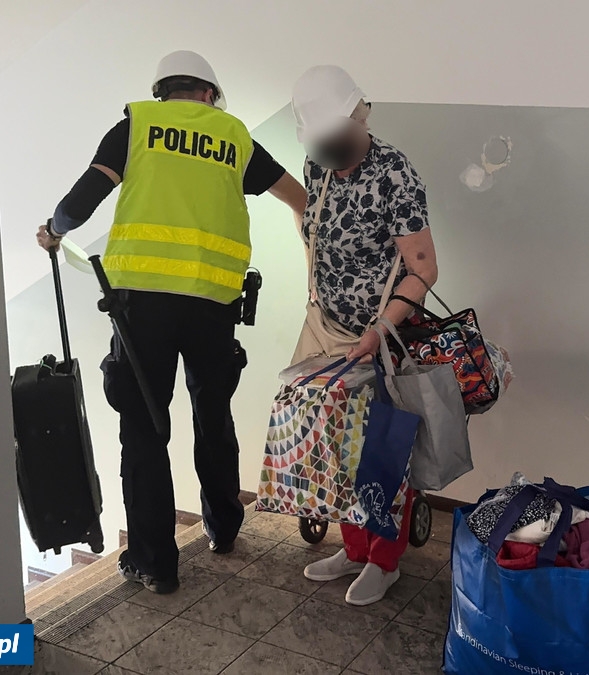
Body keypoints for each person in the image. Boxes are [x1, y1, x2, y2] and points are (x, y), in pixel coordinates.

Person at [36, 50, 308, 594]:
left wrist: (53, 232)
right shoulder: (233, 137)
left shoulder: (137, 125)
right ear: (210, 94)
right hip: (214, 304)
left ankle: (155, 563)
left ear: (162, 91)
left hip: (143, 308)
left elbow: (81, 201)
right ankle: (223, 528)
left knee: (143, 428)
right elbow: (299, 198)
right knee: (213, 413)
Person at [289, 65, 440, 606]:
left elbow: (423, 268)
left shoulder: (394, 172)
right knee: (336, 447)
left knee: (383, 452)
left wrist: (380, 329)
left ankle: (384, 560)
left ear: (361, 115)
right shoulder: (317, 167)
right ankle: (353, 548)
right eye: (321, 140)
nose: (330, 148)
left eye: (338, 136)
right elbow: (313, 230)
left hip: (383, 338)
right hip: (329, 332)